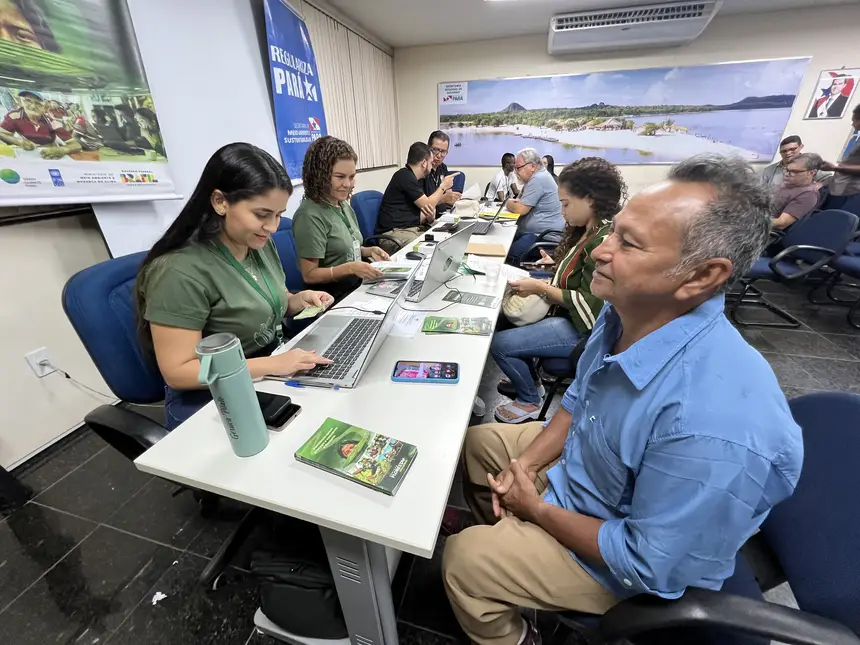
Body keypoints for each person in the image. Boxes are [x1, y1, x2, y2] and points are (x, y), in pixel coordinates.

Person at [443, 153, 803, 645]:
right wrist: (526, 466)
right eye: (613, 232)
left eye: (627, 244)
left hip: (629, 560)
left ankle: (519, 624)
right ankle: (518, 555)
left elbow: (647, 562)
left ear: (700, 275)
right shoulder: (623, 315)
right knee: (481, 444)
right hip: (592, 478)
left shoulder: (714, 422)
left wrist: (538, 509)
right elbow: (579, 400)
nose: (599, 251)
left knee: (463, 563)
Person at [136, 143, 333, 430]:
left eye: (278, 215)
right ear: (220, 202)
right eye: (262, 214)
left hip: (267, 366)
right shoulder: (179, 271)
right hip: (211, 396)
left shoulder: (257, 244)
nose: (273, 226)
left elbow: (263, 300)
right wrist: (273, 366)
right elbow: (179, 371)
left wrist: (298, 300)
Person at [490, 158, 624, 424]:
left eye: (566, 204)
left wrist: (540, 286)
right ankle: (530, 380)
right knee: (501, 320)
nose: (562, 212)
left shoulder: (604, 240)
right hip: (565, 315)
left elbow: (592, 304)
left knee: (499, 345)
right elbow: (578, 275)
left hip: (581, 330)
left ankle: (529, 399)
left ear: (589, 200)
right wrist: (557, 266)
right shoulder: (588, 231)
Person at [292, 136, 390, 301]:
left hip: (356, 287)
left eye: (351, 177)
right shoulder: (309, 215)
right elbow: (309, 275)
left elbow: (343, 249)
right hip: (332, 297)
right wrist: (350, 268)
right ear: (319, 176)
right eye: (340, 177)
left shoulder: (343, 205)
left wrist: (368, 251)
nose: (348, 184)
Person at [375, 141, 457, 253]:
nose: (432, 165)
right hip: (394, 234)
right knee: (432, 251)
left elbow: (424, 209)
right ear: (424, 163)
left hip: (410, 229)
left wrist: (429, 215)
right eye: (431, 162)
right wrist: (443, 186)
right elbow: (428, 204)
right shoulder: (404, 176)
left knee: (445, 242)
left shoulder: (414, 179)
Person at [504, 148, 565, 265]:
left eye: (518, 168)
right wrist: (515, 203)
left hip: (543, 236)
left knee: (509, 253)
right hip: (536, 232)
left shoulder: (538, 179)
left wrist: (508, 203)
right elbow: (519, 201)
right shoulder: (537, 177)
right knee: (504, 240)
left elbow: (520, 209)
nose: (516, 172)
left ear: (532, 166)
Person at [0, 90, 82, 159]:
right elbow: (2, 134)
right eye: (28, 100)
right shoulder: (14, 116)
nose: (32, 106)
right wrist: (19, 142)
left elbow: (76, 145)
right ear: (21, 102)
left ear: (45, 107)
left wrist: (63, 150)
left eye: (38, 103)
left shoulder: (51, 121)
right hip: (23, 159)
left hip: (47, 158)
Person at [821, 104, 860, 206]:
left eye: (854, 120)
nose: (853, 124)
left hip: (849, 192)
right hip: (838, 188)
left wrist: (835, 168)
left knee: (836, 219)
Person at [772, 153, 823, 231]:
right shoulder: (789, 183)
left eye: (794, 172)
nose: (786, 174)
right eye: (787, 170)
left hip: (769, 231)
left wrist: (751, 222)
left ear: (812, 173)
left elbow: (781, 223)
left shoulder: (808, 194)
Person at [761, 135, 830, 188]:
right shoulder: (769, 170)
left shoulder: (811, 165)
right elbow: (760, 190)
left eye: (792, 149)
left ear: (801, 147)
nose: (788, 153)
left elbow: (830, 178)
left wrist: (819, 185)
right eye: (784, 151)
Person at [423, 130, 461, 214]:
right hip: (427, 218)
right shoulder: (422, 169)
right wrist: (443, 199)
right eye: (435, 150)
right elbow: (423, 205)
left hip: (443, 214)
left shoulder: (442, 167)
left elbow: (447, 192)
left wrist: (452, 197)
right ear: (428, 148)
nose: (439, 156)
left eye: (443, 152)